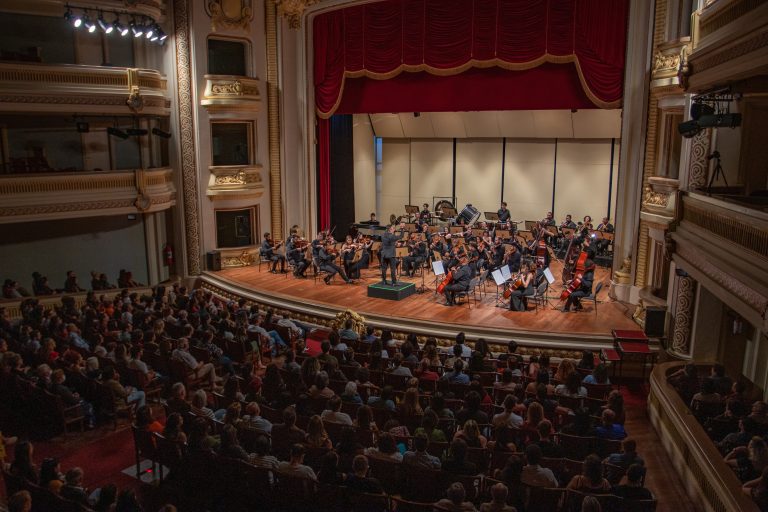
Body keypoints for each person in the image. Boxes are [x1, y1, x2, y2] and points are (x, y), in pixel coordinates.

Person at [562, 248, 595, 313]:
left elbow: (588, 285)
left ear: (588, 266)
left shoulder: (589, 274)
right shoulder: (586, 272)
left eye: (585, 264)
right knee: (572, 290)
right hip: (583, 288)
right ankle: (579, 306)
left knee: (571, 294)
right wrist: (572, 281)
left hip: (586, 291)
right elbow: (580, 278)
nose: (584, 265)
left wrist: (581, 279)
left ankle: (566, 309)